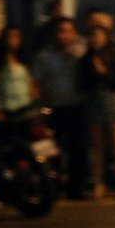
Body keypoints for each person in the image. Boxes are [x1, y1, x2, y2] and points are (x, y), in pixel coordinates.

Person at [32, 18, 90, 199]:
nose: (66, 36)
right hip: (54, 109)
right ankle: (53, 187)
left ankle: (77, 188)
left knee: (78, 150)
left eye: (70, 31)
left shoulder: (80, 55)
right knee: (53, 150)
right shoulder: (45, 56)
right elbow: (36, 83)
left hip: (76, 107)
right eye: (62, 31)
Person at [79, 26, 115, 197]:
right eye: (93, 35)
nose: (96, 39)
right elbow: (82, 82)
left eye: (99, 35)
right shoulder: (86, 58)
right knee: (98, 145)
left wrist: (104, 72)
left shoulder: (114, 56)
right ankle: (99, 183)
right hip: (94, 101)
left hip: (113, 101)